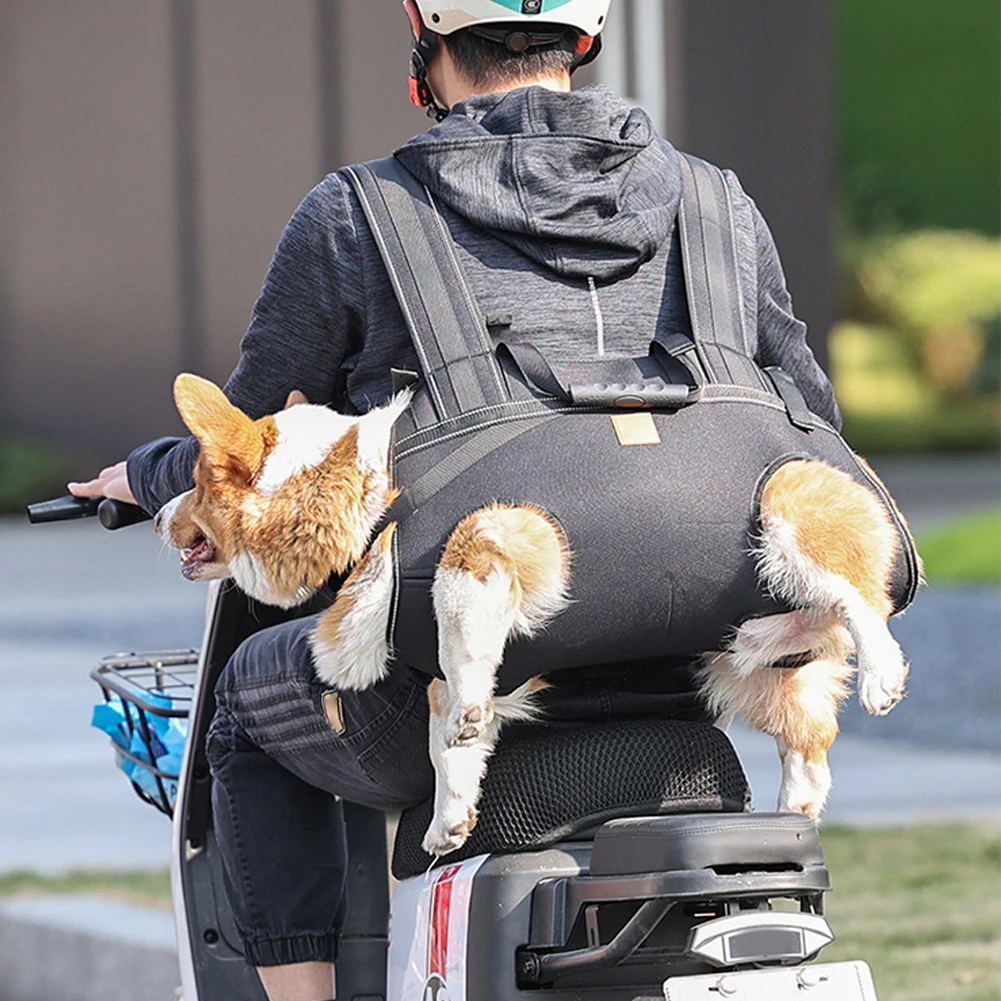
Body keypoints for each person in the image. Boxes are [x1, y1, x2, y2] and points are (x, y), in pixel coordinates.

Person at [70, 3, 841, 999]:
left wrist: (142, 474)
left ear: (426, 50)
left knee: (238, 713)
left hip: (442, 689)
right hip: (684, 683)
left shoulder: (358, 213)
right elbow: (807, 416)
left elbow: (251, 441)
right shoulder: (713, 202)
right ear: (584, 42)